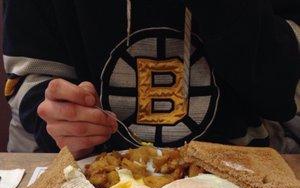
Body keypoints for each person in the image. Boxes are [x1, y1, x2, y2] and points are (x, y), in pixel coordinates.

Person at [3, 0, 300, 159]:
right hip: (93, 175)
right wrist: (61, 120)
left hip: (243, 168)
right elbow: (30, 74)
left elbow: (284, 90)